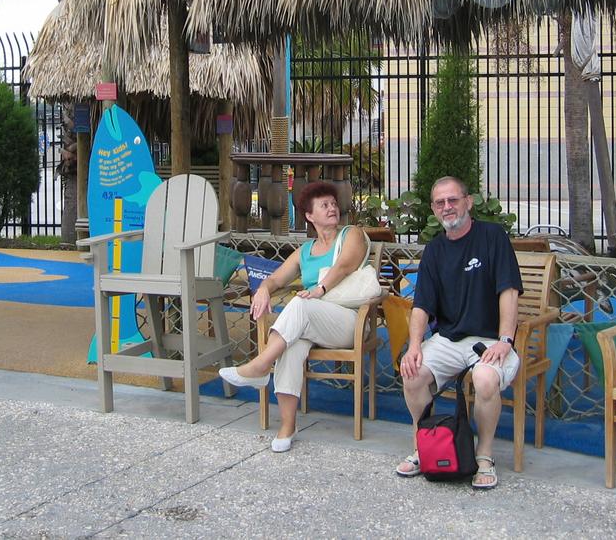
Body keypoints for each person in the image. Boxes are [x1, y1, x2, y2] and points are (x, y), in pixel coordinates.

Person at [219, 181, 369, 453]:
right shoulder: (305, 251)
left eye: (334, 204)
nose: (332, 208)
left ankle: (260, 365)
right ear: (309, 216)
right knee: (290, 346)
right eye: (324, 205)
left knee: (299, 304)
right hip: (311, 322)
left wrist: (319, 289)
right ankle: (287, 426)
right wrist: (263, 290)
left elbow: (345, 265)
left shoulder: (351, 234)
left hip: (349, 320)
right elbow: (276, 279)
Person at [395, 175, 522, 489]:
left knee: (485, 378)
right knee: (412, 373)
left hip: (491, 340)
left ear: (469, 202)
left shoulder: (492, 237)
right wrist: (414, 346)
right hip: (449, 339)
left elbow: (508, 291)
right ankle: (424, 445)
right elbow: (421, 305)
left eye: (453, 200)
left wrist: (506, 340)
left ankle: (485, 456)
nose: (447, 207)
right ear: (433, 209)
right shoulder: (434, 250)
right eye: (440, 202)